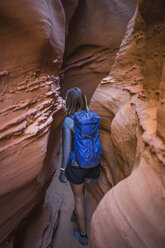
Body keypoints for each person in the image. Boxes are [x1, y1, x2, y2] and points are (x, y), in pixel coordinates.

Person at [59, 87, 101, 246]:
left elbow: (66, 149)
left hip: (77, 167)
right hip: (92, 164)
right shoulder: (93, 117)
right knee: (82, 188)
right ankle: (77, 212)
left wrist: (63, 171)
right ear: (83, 100)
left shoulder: (68, 122)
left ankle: (83, 235)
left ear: (69, 102)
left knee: (78, 198)